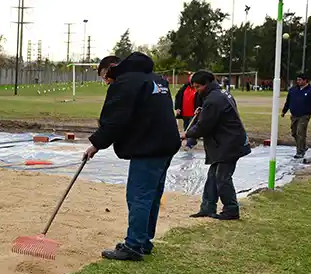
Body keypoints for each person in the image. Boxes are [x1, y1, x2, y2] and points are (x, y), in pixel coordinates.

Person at [84, 53, 181, 261]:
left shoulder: (126, 82)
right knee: (152, 196)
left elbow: (115, 120)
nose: (106, 81)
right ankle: (143, 241)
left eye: (104, 76)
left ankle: (134, 245)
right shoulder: (156, 79)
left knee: (139, 196)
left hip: (149, 147)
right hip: (165, 145)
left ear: (112, 67)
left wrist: (96, 144)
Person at [184, 70, 251, 221]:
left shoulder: (214, 100)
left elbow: (204, 126)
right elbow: (215, 115)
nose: (196, 91)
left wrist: (187, 134)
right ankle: (207, 207)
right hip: (224, 142)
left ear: (206, 84)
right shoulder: (219, 94)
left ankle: (231, 210)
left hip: (229, 143)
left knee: (222, 177)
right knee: (212, 176)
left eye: (198, 87)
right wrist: (203, 111)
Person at [281, 73, 311, 160]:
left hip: (305, 115)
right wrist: (284, 111)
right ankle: (303, 146)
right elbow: (288, 101)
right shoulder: (293, 90)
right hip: (294, 115)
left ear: (305, 80)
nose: (298, 81)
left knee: (301, 133)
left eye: (300, 80)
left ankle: (300, 152)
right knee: (294, 133)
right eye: (297, 80)